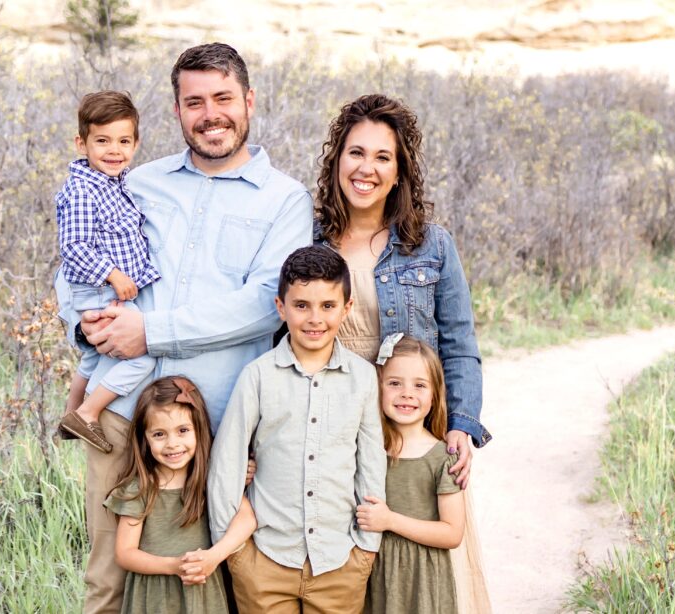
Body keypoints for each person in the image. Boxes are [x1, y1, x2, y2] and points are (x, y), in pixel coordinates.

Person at [59, 42, 313, 614]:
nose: (210, 114)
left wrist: (150, 332)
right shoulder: (137, 182)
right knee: (109, 579)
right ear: (176, 111)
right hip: (124, 417)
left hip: (217, 428)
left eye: (223, 97)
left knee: (224, 579)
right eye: (194, 101)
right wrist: (86, 324)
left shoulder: (285, 201)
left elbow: (263, 303)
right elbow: (72, 263)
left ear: (248, 101)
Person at [313, 94, 492, 612]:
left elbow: (459, 343)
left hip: (414, 427)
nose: (366, 168)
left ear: (399, 172)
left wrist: (461, 423)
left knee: (420, 565)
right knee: (350, 562)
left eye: (382, 157)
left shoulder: (432, 245)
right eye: (355, 153)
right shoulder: (310, 238)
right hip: (337, 423)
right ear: (337, 160)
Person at [208, 245, 386, 614]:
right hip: (266, 561)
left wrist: (366, 549)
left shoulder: (363, 378)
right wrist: (237, 554)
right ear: (281, 307)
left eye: (327, 306)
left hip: (340, 562)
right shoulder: (257, 376)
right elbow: (227, 462)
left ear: (347, 308)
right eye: (301, 305)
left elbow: (371, 465)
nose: (314, 318)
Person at [55, 91, 161, 453]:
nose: (114, 150)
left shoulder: (115, 182)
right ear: (81, 143)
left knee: (93, 356)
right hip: (100, 289)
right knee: (145, 354)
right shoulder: (84, 190)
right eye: (102, 141)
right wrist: (114, 274)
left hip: (104, 288)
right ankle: (88, 412)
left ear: (136, 143)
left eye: (123, 141)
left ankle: (70, 414)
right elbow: (74, 248)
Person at [105, 376, 256, 614]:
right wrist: (175, 566)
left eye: (183, 430)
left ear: (199, 429)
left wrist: (213, 557)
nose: (172, 444)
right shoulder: (141, 487)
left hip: (203, 591)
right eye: (159, 434)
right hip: (155, 598)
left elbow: (247, 518)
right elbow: (125, 554)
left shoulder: (210, 480)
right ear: (145, 438)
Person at [357, 334, 465, 614]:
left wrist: (390, 520)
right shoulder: (366, 448)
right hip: (374, 572)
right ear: (377, 388)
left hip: (422, 580)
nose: (407, 393)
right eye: (394, 383)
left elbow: (452, 532)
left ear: (434, 394)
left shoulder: (443, 456)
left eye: (419, 385)